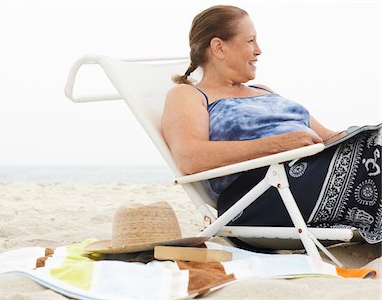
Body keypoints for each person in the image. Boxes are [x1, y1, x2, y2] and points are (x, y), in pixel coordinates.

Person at [161, 5, 382, 245]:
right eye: (250, 41)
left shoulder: (263, 91)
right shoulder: (189, 95)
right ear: (219, 47)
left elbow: (328, 137)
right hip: (259, 195)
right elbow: (189, 158)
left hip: (309, 174)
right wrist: (277, 145)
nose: (259, 50)